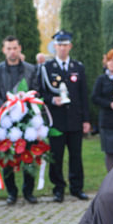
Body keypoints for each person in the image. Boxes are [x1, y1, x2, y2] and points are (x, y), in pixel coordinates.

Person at [37, 30, 90, 202]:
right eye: (59, 45)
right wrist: (52, 99)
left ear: (70, 46)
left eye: (65, 45)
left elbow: (83, 96)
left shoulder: (78, 67)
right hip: (56, 120)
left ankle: (77, 188)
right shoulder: (46, 68)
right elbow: (40, 93)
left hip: (75, 119)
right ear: (54, 47)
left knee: (76, 155)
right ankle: (58, 188)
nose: (62, 48)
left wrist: (86, 120)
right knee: (56, 156)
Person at [0, 35, 39, 205]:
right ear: (4, 50)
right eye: (8, 48)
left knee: (29, 155)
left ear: (20, 49)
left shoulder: (31, 69)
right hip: (5, 120)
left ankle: (28, 191)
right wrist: (6, 108)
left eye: (15, 48)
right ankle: (12, 192)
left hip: (27, 119)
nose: (12, 51)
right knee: (7, 156)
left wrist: (25, 103)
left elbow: (36, 90)